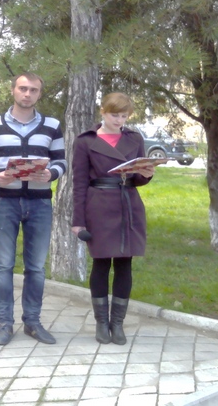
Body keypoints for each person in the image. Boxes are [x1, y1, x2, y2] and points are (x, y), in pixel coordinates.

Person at [0, 73, 67, 346]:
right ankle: (5, 323)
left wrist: (51, 174)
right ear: (13, 90)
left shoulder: (52, 125)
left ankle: (33, 322)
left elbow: (62, 161)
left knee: (36, 268)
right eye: (23, 88)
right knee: (3, 265)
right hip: (2, 203)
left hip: (40, 203)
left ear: (40, 94)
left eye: (34, 90)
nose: (27, 94)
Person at [70, 93, 155, 345]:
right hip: (99, 205)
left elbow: (137, 178)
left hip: (128, 203)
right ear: (103, 112)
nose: (119, 120)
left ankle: (117, 324)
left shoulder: (134, 138)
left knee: (124, 264)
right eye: (114, 114)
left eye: (124, 115)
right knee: (101, 264)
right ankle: (101, 323)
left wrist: (146, 174)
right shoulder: (86, 141)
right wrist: (78, 221)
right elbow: (79, 183)